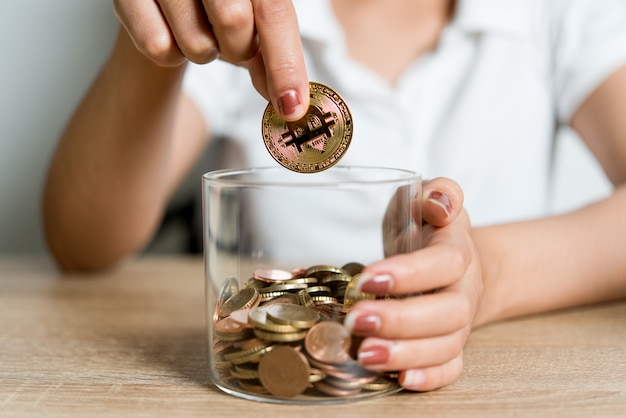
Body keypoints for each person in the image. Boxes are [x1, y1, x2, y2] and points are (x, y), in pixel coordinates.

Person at [43, 0, 626, 393]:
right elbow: (83, 241)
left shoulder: (556, 11)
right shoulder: (234, 14)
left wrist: (487, 274)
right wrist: (160, 44)